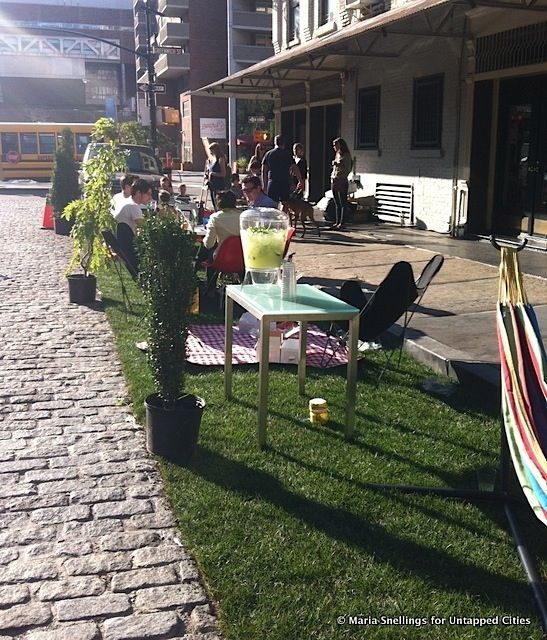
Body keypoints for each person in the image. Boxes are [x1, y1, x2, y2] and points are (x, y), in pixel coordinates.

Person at [261, 134, 304, 203]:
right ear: (284, 143)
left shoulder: (268, 154)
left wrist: (264, 184)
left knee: (272, 202)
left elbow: (264, 170)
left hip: (273, 182)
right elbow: (295, 167)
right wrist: (300, 181)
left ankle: (274, 213)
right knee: (286, 202)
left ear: (275, 142)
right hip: (285, 181)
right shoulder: (287, 154)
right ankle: (283, 213)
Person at [202, 190, 241, 258]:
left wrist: (203, 240)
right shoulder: (243, 216)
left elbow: (209, 244)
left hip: (222, 258)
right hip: (242, 258)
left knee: (206, 255)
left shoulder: (215, 218)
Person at [330, 137, 352, 230]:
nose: (334, 147)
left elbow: (346, 167)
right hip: (334, 179)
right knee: (336, 203)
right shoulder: (337, 154)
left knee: (342, 202)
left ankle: (342, 222)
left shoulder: (346, 155)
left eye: (335, 145)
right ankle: (337, 221)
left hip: (342, 180)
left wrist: (338, 164)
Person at [206, 142, 227, 210]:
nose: (210, 152)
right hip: (212, 185)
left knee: (218, 203)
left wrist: (213, 174)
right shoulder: (212, 160)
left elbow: (223, 174)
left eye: (211, 150)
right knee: (214, 203)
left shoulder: (221, 159)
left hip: (219, 185)